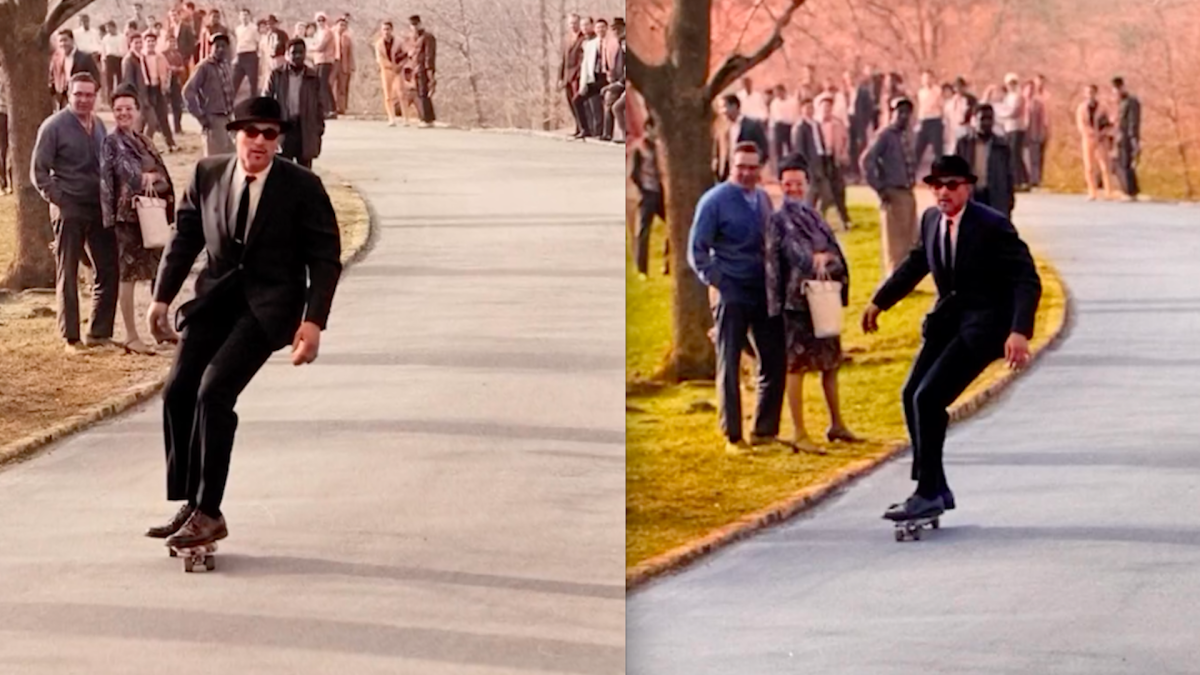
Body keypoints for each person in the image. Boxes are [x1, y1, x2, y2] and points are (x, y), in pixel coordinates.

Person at [145, 96, 342, 548]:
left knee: (214, 392)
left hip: (268, 307)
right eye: (250, 132)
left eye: (269, 134)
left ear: (279, 140)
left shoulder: (302, 187)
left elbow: (325, 259)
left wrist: (313, 323)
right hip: (215, 300)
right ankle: (193, 501)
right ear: (236, 134)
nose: (259, 141)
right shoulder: (207, 174)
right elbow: (185, 238)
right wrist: (161, 298)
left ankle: (210, 513)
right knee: (178, 390)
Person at [862, 155, 1041, 520]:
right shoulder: (931, 221)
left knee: (929, 398)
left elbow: (1027, 279)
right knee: (911, 393)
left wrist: (1019, 331)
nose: (943, 192)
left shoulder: (991, 225)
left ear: (967, 188)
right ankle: (935, 486)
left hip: (985, 330)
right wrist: (880, 302)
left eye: (952, 185)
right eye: (936, 185)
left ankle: (927, 491)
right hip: (948, 324)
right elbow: (915, 264)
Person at [688, 141, 786, 454]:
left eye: (752, 167)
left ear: (760, 169)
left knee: (773, 358)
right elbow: (697, 250)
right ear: (731, 166)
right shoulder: (714, 201)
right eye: (741, 166)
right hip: (731, 290)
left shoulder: (762, 199)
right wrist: (718, 280)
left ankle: (764, 431)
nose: (746, 172)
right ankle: (733, 436)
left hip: (761, 289)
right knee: (729, 361)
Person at [765, 155, 858, 452]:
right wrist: (819, 258)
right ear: (781, 185)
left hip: (824, 297)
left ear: (807, 184)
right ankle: (799, 431)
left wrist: (827, 261)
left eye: (798, 183)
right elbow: (796, 257)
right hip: (795, 304)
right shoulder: (779, 219)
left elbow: (832, 252)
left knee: (830, 363)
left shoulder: (814, 215)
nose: (793, 188)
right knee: (796, 367)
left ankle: (837, 423)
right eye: (788, 183)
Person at [31, 73, 119, 353]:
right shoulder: (53, 126)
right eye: (78, 94)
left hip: (98, 207)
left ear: (96, 97)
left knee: (108, 268)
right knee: (67, 272)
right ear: (68, 94)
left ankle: (99, 333)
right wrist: (59, 200)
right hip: (69, 208)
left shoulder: (100, 125)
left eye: (89, 95)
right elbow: (39, 172)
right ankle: (71, 338)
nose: (83, 100)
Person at [100, 84, 175, 355]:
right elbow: (131, 178)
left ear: (137, 111)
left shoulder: (144, 140)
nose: (123, 114)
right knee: (128, 276)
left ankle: (160, 326)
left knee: (160, 270)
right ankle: (131, 335)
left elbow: (163, 176)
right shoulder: (112, 141)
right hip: (127, 218)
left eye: (128, 109)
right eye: (118, 109)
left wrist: (153, 177)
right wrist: (151, 176)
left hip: (151, 214)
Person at [862, 97, 918, 277]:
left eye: (907, 113)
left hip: (907, 190)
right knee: (895, 241)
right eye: (899, 112)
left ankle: (906, 279)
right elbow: (866, 160)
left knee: (910, 237)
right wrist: (880, 187)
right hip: (893, 191)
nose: (903, 116)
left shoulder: (905, 134)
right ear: (891, 113)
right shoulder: (885, 134)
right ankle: (894, 279)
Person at [264, 39, 326, 168]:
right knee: (282, 170)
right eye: (294, 53)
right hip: (284, 129)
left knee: (304, 172)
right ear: (287, 54)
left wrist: (319, 129)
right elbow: (266, 101)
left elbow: (319, 105)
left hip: (304, 129)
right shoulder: (277, 75)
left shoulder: (312, 77)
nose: (297, 56)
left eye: (301, 52)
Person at [954, 104, 1015, 218]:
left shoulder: (1002, 146)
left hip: (994, 196)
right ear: (974, 120)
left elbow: (1009, 175)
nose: (986, 123)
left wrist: (1009, 200)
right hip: (971, 196)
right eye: (982, 119)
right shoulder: (964, 144)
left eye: (989, 119)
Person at [183, 33, 236, 157]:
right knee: (215, 160)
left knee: (231, 158)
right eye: (217, 46)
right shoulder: (204, 67)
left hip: (227, 118)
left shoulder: (226, 65)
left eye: (223, 46)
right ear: (211, 48)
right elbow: (188, 91)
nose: (220, 50)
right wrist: (200, 116)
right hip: (213, 119)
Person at [629, 116, 666, 278]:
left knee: (673, 226)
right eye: (654, 128)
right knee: (644, 232)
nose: (657, 132)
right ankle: (641, 269)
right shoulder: (640, 148)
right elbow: (634, 173)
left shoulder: (660, 147)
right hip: (647, 193)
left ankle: (667, 264)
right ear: (648, 129)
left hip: (661, 193)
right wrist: (643, 190)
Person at [713, 94, 768, 183]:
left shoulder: (753, 126)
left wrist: (754, 168)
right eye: (720, 108)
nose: (721, 111)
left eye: (724, 107)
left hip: (746, 177)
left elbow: (764, 149)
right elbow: (718, 150)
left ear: (735, 106)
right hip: (726, 176)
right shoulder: (722, 127)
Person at [140, 31, 179, 152]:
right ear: (144, 43)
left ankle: (170, 143)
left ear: (156, 43)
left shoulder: (160, 57)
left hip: (158, 88)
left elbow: (168, 71)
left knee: (163, 116)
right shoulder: (141, 57)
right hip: (147, 90)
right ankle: (142, 145)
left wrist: (165, 85)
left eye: (153, 41)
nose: (150, 44)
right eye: (148, 41)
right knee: (146, 119)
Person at [1075, 84, 1115, 201]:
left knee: (1105, 165)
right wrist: (1091, 133)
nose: (1090, 95)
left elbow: (1109, 122)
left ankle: (1109, 192)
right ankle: (1092, 192)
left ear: (1096, 93)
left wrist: (1103, 133)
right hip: (1088, 138)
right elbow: (1081, 124)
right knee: (1089, 166)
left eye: (1092, 92)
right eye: (1088, 92)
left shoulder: (1103, 107)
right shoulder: (1081, 108)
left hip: (1102, 139)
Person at [49, 29, 102, 111]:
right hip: (63, 99)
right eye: (60, 41)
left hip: (81, 99)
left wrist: (88, 95)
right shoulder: (56, 59)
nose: (63, 44)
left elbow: (96, 79)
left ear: (72, 41)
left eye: (65, 40)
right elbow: (52, 78)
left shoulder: (85, 58)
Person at [1113, 76, 1141, 201]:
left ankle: (1130, 191)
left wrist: (1133, 137)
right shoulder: (1120, 103)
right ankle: (1128, 189)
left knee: (1126, 163)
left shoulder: (1131, 102)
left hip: (1127, 136)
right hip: (1120, 135)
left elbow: (1133, 121)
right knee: (1120, 163)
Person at [558, 14, 585, 138]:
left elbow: (582, 59)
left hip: (577, 75)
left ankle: (584, 128)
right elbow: (563, 59)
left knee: (577, 101)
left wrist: (578, 74)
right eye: (571, 23)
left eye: (575, 23)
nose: (573, 25)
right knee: (570, 102)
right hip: (567, 76)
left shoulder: (583, 38)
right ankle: (577, 127)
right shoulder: (567, 39)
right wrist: (560, 77)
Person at [408, 15, 437, 127]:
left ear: (420, 24)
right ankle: (425, 117)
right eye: (412, 25)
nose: (414, 27)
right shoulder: (414, 38)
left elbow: (429, 55)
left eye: (416, 24)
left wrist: (429, 70)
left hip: (424, 69)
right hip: (415, 68)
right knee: (420, 93)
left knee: (424, 93)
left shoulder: (427, 37)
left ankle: (427, 119)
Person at [375, 21, 404, 127]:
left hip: (398, 70)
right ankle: (391, 117)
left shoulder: (399, 41)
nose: (386, 31)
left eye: (388, 29)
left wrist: (400, 65)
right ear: (381, 31)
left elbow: (405, 54)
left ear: (392, 30)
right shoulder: (379, 44)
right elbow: (379, 59)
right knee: (388, 95)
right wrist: (391, 66)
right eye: (384, 29)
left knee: (401, 92)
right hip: (386, 70)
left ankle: (406, 117)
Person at [915, 69, 945, 165]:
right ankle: (913, 168)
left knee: (937, 147)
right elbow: (920, 107)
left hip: (935, 120)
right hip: (924, 120)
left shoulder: (937, 91)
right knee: (918, 146)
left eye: (928, 78)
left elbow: (941, 105)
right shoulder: (920, 92)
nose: (926, 80)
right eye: (924, 78)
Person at [310, 12, 337, 119]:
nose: (320, 22)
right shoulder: (318, 33)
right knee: (323, 85)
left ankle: (327, 109)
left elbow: (320, 47)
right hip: (318, 60)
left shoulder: (327, 32)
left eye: (322, 20)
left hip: (325, 60)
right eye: (318, 20)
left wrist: (311, 48)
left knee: (323, 85)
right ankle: (329, 108)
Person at [232, 7, 261, 99]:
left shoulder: (254, 28)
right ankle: (228, 105)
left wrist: (258, 55)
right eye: (242, 15)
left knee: (253, 82)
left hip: (251, 55)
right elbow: (238, 43)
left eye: (246, 15)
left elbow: (258, 42)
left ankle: (254, 104)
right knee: (234, 81)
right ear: (239, 17)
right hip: (240, 55)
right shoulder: (238, 29)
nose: (244, 17)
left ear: (249, 17)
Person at [1025, 79, 1048, 188]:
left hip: (1034, 133)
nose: (1029, 91)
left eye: (1031, 89)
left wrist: (1042, 132)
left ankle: (1035, 179)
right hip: (1021, 134)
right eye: (1028, 89)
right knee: (1024, 157)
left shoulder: (1037, 104)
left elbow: (1042, 119)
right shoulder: (1021, 102)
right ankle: (1025, 178)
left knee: (1034, 158)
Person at [332, 16, 355, 115]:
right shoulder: (331, 35)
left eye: (344, 25)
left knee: (342, 87)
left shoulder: (347, 38)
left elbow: (350, 53)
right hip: (333, 63)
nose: (342, 27)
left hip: (343, 63)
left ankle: (341, 107)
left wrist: (352, 65)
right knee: (331, 85)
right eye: (340, 25)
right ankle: (331, 106)